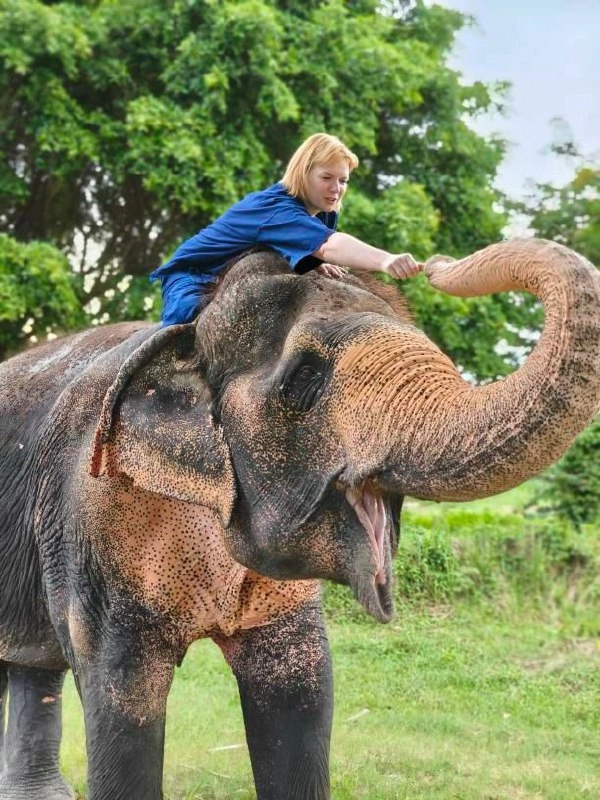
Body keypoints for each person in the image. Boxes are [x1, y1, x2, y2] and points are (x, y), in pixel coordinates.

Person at [149, 133, 421, 325]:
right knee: (190, 329)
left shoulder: (323, 212)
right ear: (303, 174)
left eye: (343, 180)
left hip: (242, 280)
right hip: (196, 277)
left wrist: (314, 262)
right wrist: (386, 260)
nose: (336, 189)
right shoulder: (276, 208)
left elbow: (314, 248)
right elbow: (330, 244)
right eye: (326, 178)